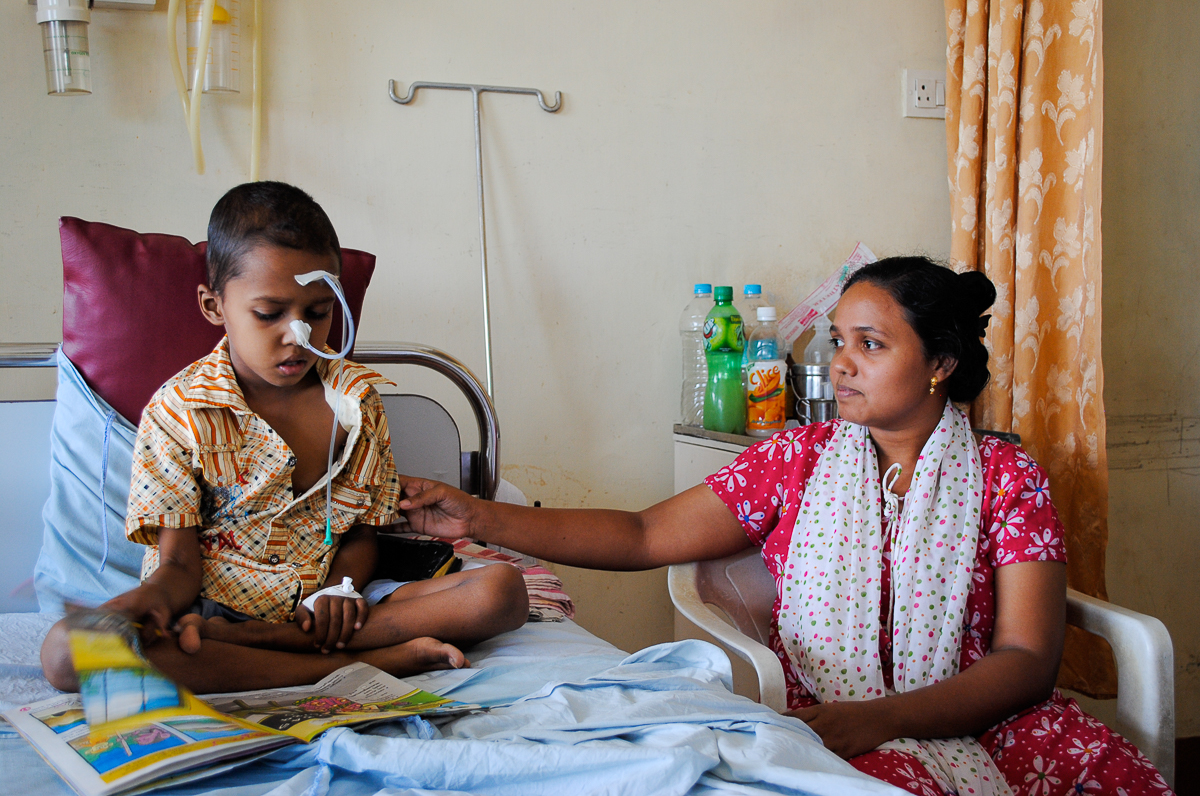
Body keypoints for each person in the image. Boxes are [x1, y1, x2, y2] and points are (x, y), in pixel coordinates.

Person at [395, 257, 1173, 795]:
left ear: (939, 362)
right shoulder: (795, 459)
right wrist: (481, 514)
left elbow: (1029, 657)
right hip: (827, 719)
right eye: (839, 341)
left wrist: (887, 715)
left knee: (1112, 777)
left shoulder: (1008, 476)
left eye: (870, 344)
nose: (841, 363)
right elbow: (639, 535)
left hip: (989, 714)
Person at [41, 181, 528, 695]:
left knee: (500, 592)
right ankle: (372, 664)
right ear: (213, 306)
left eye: (317, 313)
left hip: (328, 611)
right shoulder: (178, 411)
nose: (297, 335)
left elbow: (361, 535)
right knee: (64, 655)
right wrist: (145, 604)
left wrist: (341, 589)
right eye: (269, 313)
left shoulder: (356, 404)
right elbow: (178, 563)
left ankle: (274, 647)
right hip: (211, 611)